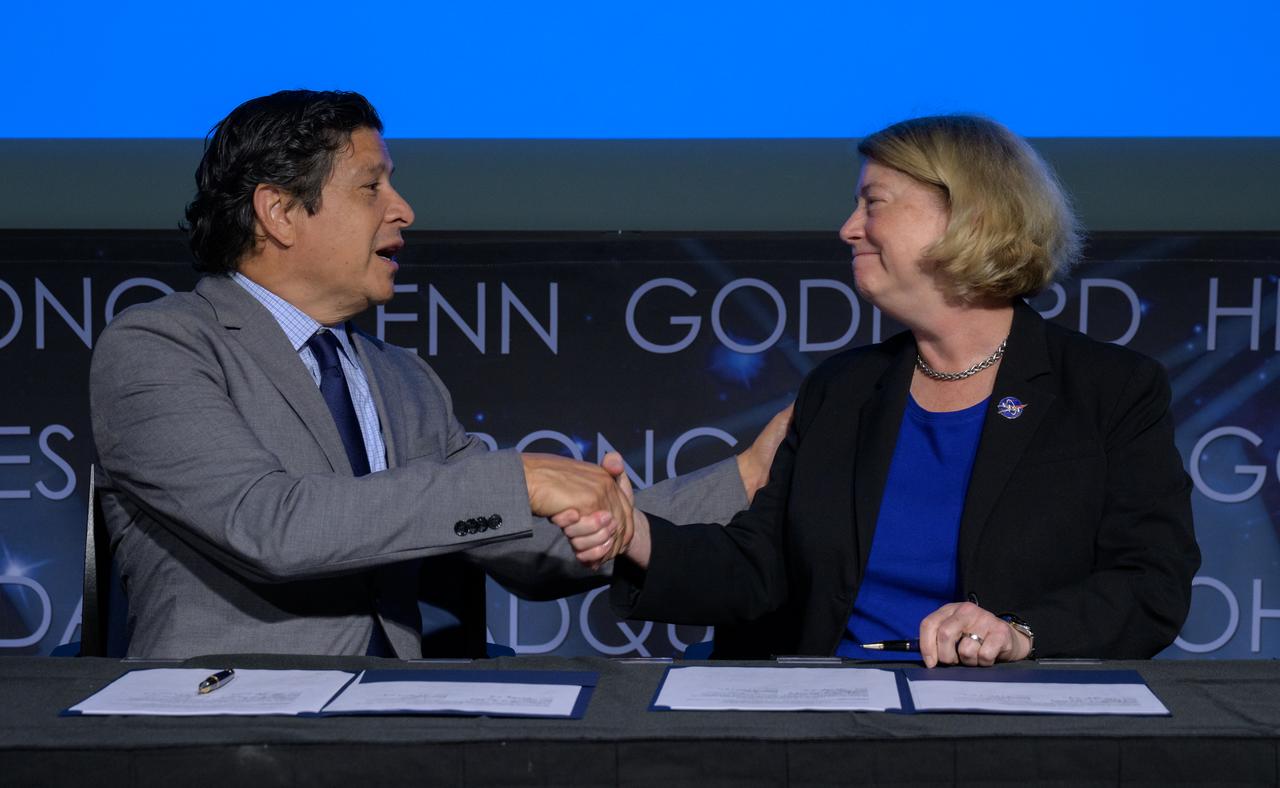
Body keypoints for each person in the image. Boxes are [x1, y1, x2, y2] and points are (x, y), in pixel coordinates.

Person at [89, 89, 784, 659]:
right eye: (372, 186)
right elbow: (272, 528)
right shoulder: (159, 346)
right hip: (220, 730)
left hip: (398, 727)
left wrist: (746, 474)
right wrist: (521, 480)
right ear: (279, 213)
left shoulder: (403, 379)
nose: (404, 210)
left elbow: (532, 544)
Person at [560, 115, 1201, 666]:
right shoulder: (842, 388)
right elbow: (760, 565)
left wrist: (1021, 635)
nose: (847, 228)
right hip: (831, 721)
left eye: (874, 203)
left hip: (1009, 723)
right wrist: (637, 533)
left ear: (968, 217)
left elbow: (1150, 583)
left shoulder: (1110, 390)